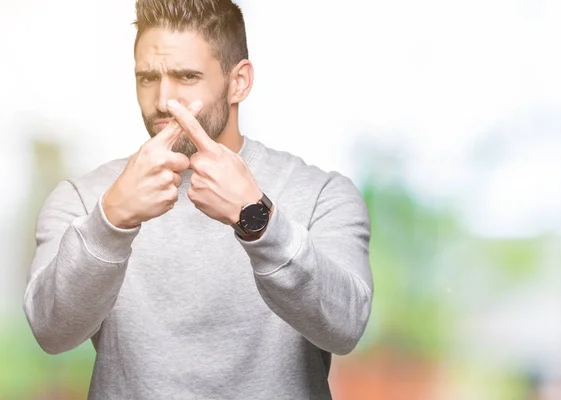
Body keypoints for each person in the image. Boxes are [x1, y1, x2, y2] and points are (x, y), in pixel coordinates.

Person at [23, 0, 373, 398]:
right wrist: (112, 221)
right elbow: (51, 333)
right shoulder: (84, 199)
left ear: (238, 81)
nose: (162, 100)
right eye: (147, 78)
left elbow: (346, 328)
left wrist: (257, 218)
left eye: (186, 77)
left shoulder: (321, 194)